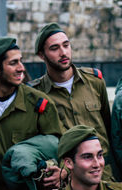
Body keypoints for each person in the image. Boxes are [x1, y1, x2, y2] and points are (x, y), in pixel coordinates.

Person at [0, 37, 63, 190]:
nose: (21, 68)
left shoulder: (38, 103)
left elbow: (60, 146)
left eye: (21, 61)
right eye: (13, 63)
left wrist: (56, 170)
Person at [30, 22, 113, 180]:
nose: (63, 52)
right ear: (42, 55)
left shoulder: (95, 81)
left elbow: (108, 129)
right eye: (54, 48)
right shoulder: (36, 94)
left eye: (66, 45)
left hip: (104, 176)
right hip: (67, 179)